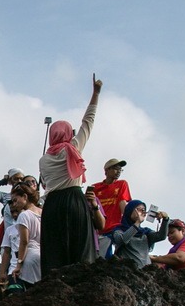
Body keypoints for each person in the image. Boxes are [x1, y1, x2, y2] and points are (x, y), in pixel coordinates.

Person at [39, 76, 103, 270]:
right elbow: (88, 122)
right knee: (80, 251)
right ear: (68, 134)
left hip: (51, 206)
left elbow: (45, 184)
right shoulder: (73, 148)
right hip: (74, 201)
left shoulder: (43, 159)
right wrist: (96, 94)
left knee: (54, 253)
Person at [108, 200, 169, 269]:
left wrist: (165, 220)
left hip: (145, 272)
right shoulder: (119, 230)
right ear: (129, 211)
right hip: (127, 271)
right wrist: (137, 223)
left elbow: (161, 236)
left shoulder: (145, 232)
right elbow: (122, 240)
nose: (141, 212)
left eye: (143, 210)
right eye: (138, 209)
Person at [90, 158, 131, 259]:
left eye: (120, 169)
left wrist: (129, 222)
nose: (118, 172)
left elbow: (123, 203)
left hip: (115, 227)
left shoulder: (121, 184)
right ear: (106, 170)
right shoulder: (95, 188)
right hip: (99, 228)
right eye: (115, 169)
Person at [8, 184, 43, 287]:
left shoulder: (24, 215)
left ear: (25, 197)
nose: (14, 204)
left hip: (30, 258)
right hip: (43, 257)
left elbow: (24, 242)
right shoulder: (43, 212)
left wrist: (19, 264)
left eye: (15, 200)